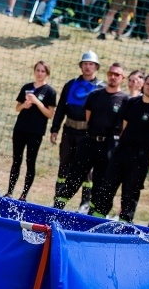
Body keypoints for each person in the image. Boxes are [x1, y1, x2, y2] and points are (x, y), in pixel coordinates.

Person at [88, 73, 149, 222]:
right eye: (148, 84)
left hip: (140, 159)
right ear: (143, 84)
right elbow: (124, 128)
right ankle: (97, 221)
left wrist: (146, 154)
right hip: (121, 153)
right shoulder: (132, 103)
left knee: (129, 196)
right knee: (107, 188)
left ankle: (123, 229)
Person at [54, 62, 129, 211]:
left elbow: (124, 127)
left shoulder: (125, 100)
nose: (113, 77)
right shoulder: (95, 94)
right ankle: (57, 208)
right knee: (74, 176)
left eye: (117, 75)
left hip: (109, 146)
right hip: (90, 141)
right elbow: (88, 117)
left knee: (100, 182)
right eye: (110, 74)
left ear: (123, 78)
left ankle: (92, 214)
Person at [50, 50, 102, 211]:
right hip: (68, 131)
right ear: (81, 66)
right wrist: (55, 129)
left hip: (87, 135)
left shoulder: (101, 89)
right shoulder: (70, 84)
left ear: (96, 67)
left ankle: (85, 202)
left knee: (86, 169)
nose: (88, 67)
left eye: (91, 64)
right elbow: (60, 109)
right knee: (64, 164)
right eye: (85, 63)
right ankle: (58, 199)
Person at [5, 61, 57, 200]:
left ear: (47, 74)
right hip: (21, 127)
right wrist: (24, 105)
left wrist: (37, 102)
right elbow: (17, 108)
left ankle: (24, 194)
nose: (39, 73)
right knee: (16, 160)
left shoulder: (50, 92)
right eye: (38, 70)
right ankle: (9, 192)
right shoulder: (27, 87)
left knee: (30, 161)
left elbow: (50, 114)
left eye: (42, 71)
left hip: (36, 131)